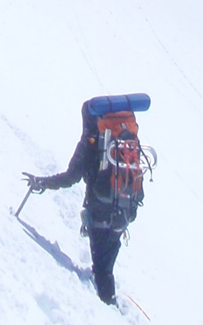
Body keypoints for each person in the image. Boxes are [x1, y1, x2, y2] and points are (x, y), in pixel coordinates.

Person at [23, 108, 140, 304]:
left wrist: (43, 183)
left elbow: (71, 176)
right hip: (124, 211)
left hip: (100, 212)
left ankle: (108, 313)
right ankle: (109, 304)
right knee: (106, 266)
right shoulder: (123, 140)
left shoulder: (90, 142)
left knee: (102, 269)